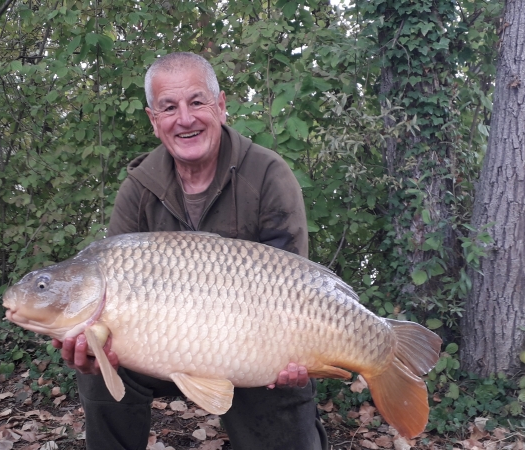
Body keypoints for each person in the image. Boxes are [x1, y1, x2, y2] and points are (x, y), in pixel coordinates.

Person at [52, 52, 328, 450]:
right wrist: (90, 347)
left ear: (221, 106)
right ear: (153, 120)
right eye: (169, 107)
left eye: (197, 102)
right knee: (97, 360)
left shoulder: (268, 175)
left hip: (252, 345)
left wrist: (297, 357)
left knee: (282, 397)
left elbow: (294, 287)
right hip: (160, 346)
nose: (185, 119)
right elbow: (108, 285)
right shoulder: (139, 188)